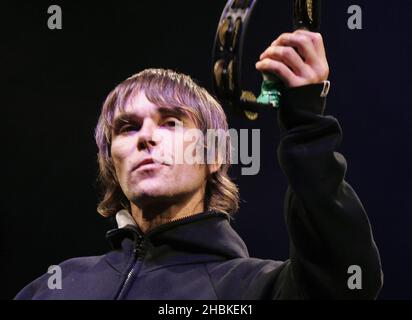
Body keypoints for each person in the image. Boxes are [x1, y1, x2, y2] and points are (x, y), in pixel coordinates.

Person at [15, 30, 383, 299]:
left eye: (171, 122)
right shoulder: (53, 286)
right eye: (127, 128)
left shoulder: (255, 290)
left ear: (215, 155)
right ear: (112, 162)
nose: (146, 136)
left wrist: (305, 123)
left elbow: (346, 280)